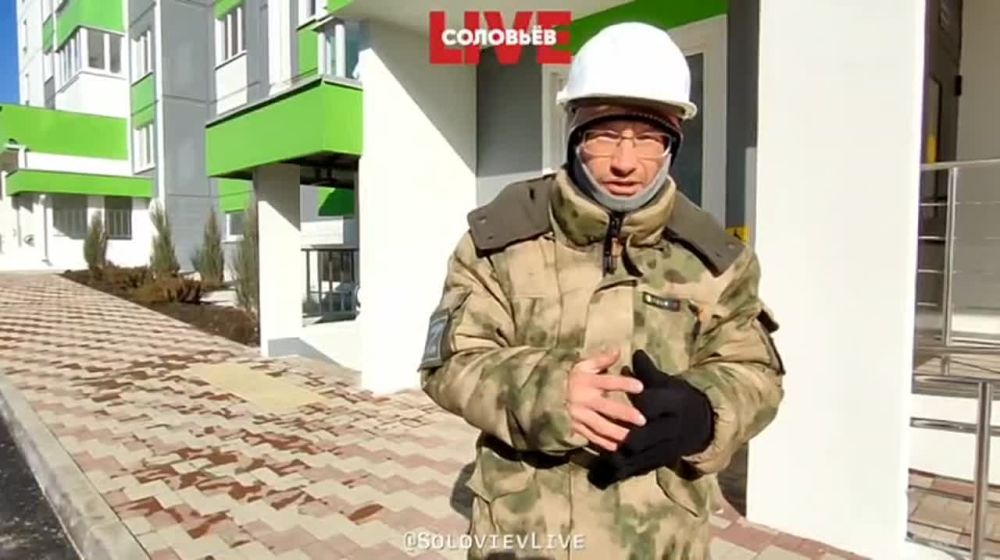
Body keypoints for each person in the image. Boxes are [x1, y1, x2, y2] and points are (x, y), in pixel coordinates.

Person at [417, 21, 785, 560]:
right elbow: (450, 361)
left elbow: (756, 371)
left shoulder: (716, 260)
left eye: (650, 139)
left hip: (660, 540)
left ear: (673, 144)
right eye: (606, 135)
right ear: (574, 132)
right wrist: (545, 392)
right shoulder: (500, 241)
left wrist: (704, 412)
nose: (625, 163)